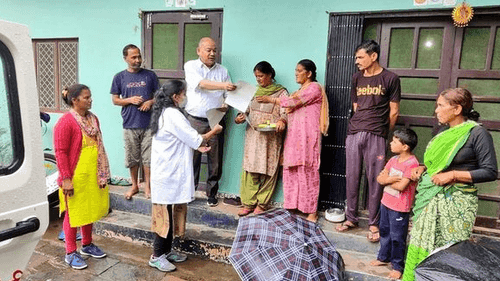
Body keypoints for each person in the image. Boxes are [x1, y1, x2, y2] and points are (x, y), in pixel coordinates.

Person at [402, 88, 497, 281]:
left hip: (457, 205)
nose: (436, 110)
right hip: (431, 200)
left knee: (450, 253)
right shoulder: (443, 132)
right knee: (424, 246)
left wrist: (453, 175)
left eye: (440, 105)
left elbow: (490, 171)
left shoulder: (477, 133)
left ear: (456, 109)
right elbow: (437, 166)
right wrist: (423, 169)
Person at [148, 80, 223, 272]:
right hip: (168, 174)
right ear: (176, 97)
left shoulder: (166, 112)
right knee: (163, 216)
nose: (185, 97)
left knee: (171, 212)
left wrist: (197, 145)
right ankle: (156, 256)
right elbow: (195, 136)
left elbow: (181, 138)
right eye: (184, 94)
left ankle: (166, 251)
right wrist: (214, 130)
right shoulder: (172, 114)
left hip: (169, 172)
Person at [337, 40, 401, 243]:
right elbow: (356, 106)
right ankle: (351, 218)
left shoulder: (390, 78)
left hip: (377, 134)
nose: (357, 61)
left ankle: (374, 222)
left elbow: (394, 111)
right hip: (355, 132)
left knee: (376, 179)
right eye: (356, 58)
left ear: (373, 56)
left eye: (360, 57)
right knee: (352, 176)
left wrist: (383, 131)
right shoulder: (357, 78)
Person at [256, 59, 329, 222]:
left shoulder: (314, 88)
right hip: (294, 137)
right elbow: (290, 107)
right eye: (295, 71)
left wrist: (271, 99)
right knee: (291, 171)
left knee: (308, 171)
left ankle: (311, 211)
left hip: (308, 138)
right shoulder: (299, 90)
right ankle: (293, 207)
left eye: (299, 71)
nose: (296, 74)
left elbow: (292, 102)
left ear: (309, 74)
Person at [54, 84, 110, 270]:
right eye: (86, 97)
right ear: (74, 100)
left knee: (89, 210)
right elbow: (60, 152)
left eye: (90, 96)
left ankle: (87, 244)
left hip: (93, 174)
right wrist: (66, 179)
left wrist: (102, 174)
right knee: (73, 214)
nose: (90, 100)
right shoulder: (66, 122)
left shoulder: (93, 119)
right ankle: (70, 252)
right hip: (75, 177)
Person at [184, 37, 236, 207]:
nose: (212, 53)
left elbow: (229, 96)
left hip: (216, 120)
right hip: (195, 120)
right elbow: (201, 84)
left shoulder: (223, 70)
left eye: (215, 50)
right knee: (192, 158)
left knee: (215, 159)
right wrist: (224, 86)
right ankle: (189, 192)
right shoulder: (190, 66)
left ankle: (211, 194)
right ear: (199, 51)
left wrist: (225, 105)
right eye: (208, 50)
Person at [234, 61, 288, 216]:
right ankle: (248, 203)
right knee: (251, 167)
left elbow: (286, 111)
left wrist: (281, 121)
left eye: (261, 76)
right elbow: (246, 110)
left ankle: (262, 204)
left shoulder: (281, 93)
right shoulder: (253, 91)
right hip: (253, 135)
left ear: (270, 75)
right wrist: (240, 118)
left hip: (271, 137)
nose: (258, 79)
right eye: (256, 76)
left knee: (268, 168)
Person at [111, 44, 159, 200]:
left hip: (149, 124)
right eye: (134, 57)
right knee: (132, 158)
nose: (138, 60)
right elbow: (115, 100)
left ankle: (148, 187)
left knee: (148, 158)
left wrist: (150, 102)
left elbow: (159, 96)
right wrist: (130, 100)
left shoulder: (150, 75)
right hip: (130, 123)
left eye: (139, 56)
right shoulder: (119, 77)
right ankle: (134, 185)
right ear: (125, 58)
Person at [370, 128, 419, 280]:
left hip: (399, 207)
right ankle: (383, 257)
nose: (391, 143)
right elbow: (380, 179)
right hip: (386, 202)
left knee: (397, 236)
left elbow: (401, 186)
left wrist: (388, 179)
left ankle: (397, 266)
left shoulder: (412, 163)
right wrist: (392, 179)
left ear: (405, 147)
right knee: (384, 231)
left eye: (395, 141)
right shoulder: (393, 160)